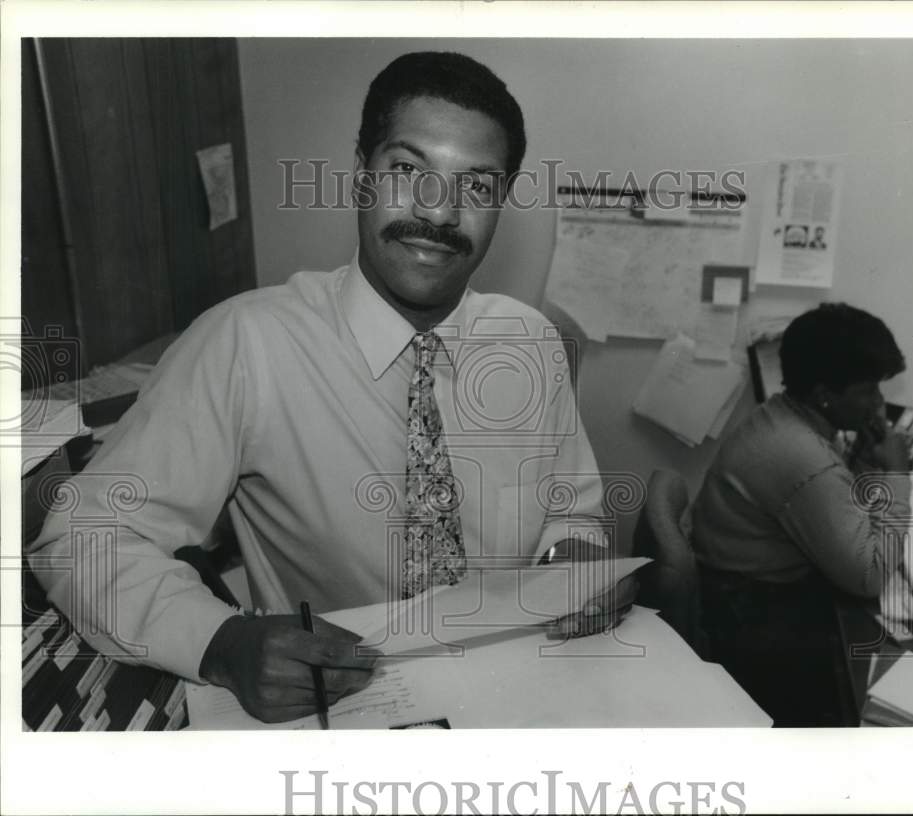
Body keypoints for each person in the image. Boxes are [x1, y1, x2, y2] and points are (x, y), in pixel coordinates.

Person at [29, 52, 632, 724]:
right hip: (347, 715)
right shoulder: (245, 343)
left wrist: (574, 557)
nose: (439, 212)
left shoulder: (532, 343)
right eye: (408, 170)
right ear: (360, 173)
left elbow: (568, 514)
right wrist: (219, 642)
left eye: (478, 186)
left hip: (522, 697)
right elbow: (81, 534)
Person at [691, 303, 911, 726]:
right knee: (874, 666)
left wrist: (865, 468)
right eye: (868, 389)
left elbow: (833, 506)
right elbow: (868, 576)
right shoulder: (803, 458)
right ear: (825, 393)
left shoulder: (783, 414)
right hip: (756, 618)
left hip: (739, 586)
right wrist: (898, 475)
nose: (878, 404)